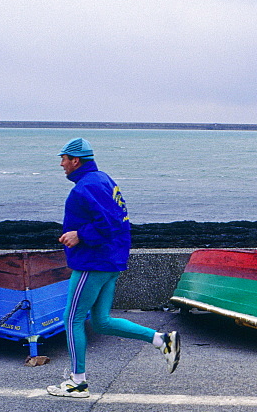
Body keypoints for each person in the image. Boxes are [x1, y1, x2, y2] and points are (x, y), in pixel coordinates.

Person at [47, 137, 180, 398]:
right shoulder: (102, 179)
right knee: (102, 322)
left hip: (92, 262)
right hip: (109, 261)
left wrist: (79, 236)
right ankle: (162, 341)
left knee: (71, 318)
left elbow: (110, 224)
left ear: (76, 160)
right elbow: (118, 221)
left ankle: (77, 382)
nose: (61, 164)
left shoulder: (88, 185)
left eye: (63, 158)